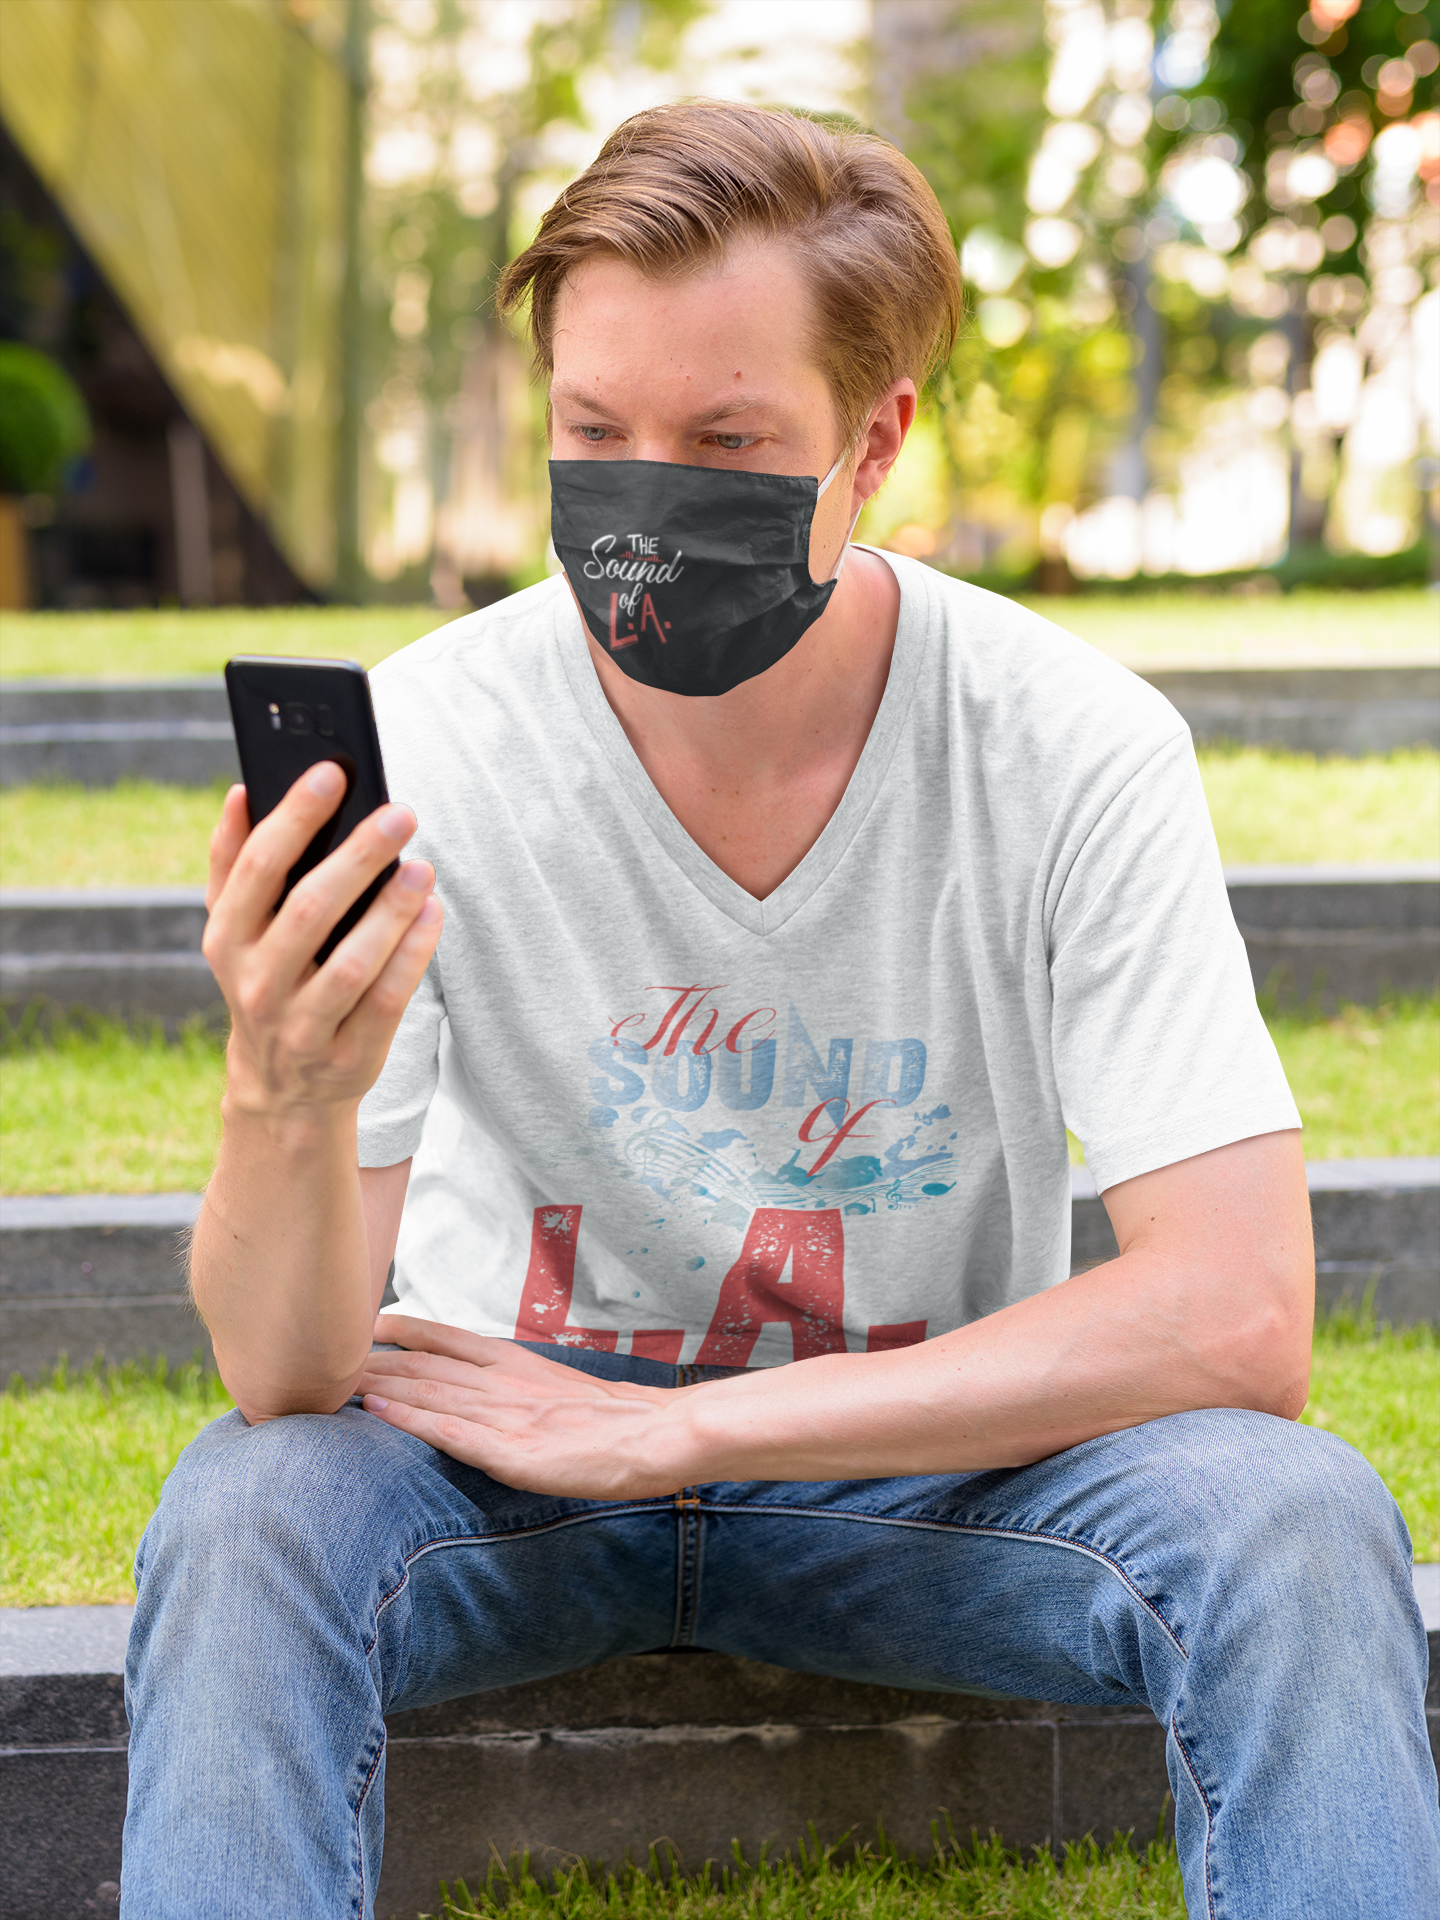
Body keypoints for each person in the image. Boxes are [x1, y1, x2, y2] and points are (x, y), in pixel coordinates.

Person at [119, 102, 1438, 1918]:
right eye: (595, 433)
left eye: (726, 441)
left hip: (925, 1475)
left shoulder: (1071, 746)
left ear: (872, 442)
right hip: (502, 1463)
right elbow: (288, 1371)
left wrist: (689, 1431)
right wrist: (282, 1088)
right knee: (248, 1513)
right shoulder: (428, 741)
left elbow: (1239, 1316)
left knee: (1296, 1525)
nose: (643, 493)